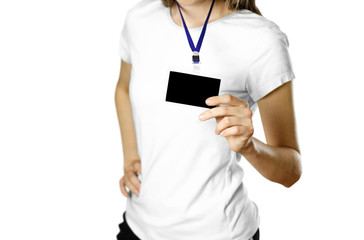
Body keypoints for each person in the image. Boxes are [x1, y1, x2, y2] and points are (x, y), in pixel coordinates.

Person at [115, 0, 302, 239]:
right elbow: (123, 89)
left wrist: (249, 146)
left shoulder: (261, 39)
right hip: (138, 228)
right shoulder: (140, 19)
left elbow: (291, 171)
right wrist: (131, 156)